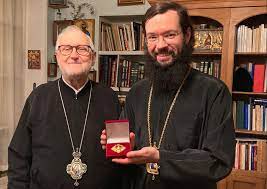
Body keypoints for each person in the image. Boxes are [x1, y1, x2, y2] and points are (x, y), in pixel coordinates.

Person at [101, 2, 236, 189]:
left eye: (170, 35)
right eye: (152, 37)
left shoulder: (214, 91)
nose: (160, 45)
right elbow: (124, 157)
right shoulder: (136, 92)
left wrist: (159, 157)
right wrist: (120, 147)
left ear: (187, 35)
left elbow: (218, 162)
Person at [8, 25, 123, 189]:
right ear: (56, 56)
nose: (74, 55)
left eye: (82, 49)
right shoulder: (38, 98)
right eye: (66, 49)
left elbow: (119, 152)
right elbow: (19, 156)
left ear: (93, 57)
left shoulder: (109, 97)